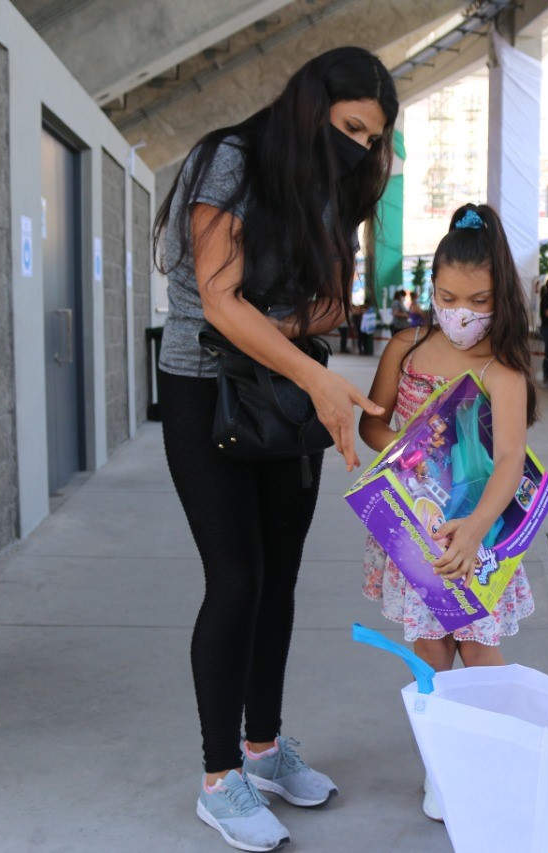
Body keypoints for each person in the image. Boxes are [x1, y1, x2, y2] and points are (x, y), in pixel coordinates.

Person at [152, 46, 395, 852]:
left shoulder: (326, 189)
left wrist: (291, 338)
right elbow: (219, 301)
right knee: (237, 579)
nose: (360, 148)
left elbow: (324, 309)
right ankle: (220, 779)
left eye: (373, 137)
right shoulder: (231, 159)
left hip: (285, 396)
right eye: (350, 126)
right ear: (311, 106)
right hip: (208, 390)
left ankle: (263, 749)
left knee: (280, 580)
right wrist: (316, 374)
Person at [359, 203, 537, 822]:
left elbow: (511, 460)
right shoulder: (406, 349)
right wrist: (411, 449)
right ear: (431, 288)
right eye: (448, 295)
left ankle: (492, 760)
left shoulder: (503, 366)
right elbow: (371, 424)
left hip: (475, 535)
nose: (463, 312)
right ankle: (442, 768)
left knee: (479, 652)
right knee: (429, 650)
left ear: (502, 296)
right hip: (413, 531)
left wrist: (477, 527)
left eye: (480, 299)